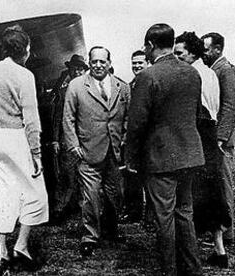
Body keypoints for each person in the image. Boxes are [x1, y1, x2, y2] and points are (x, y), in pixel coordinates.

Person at [125, 24, 204, 276]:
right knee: (185, 214)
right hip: (190, 155)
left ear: (149, 45)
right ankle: (192, 269)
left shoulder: (148, 76)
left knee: (164, 217)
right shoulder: (192, 73)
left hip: (160, 159)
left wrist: (131, 158)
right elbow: (195, 114)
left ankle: (168, 270)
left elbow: (136, 123)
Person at [0, 25, 48, 276]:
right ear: (26, 50)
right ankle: (22, 244)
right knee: (35, 193)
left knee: (4, 192)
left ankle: (2, 251)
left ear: (4, 48)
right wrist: (36, 153)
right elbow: (31, 119)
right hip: (16, 136)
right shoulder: (24, 75)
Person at [63, 46, 130, 257]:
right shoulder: (76, 86)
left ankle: (111, 229)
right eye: (94, 62)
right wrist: (74, 146)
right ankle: (90, 236)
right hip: (88, 151)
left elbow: (129, 117)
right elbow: (68, 118)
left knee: (115, 194)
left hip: (115, 152)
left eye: (102, 62)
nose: (98, 65)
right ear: (89, 63)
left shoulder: (122, 87)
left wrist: (124, 140)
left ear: (109, 63)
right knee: (90, 196)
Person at [174, 31, 231, 268]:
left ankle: (190, 252)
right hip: (210, 135)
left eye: (180, 53)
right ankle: (219, 250)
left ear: (192, 53)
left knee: (192, 193)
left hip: (197, 133)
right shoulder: (209, 73)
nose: (176, 58)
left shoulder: (190, 73)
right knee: (213, 191)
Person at [201, 32, 235, 249]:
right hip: (215, 139)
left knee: (223, 184)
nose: (203, 53)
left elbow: (230, 105)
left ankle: (226, 234)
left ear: (217, 49)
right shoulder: (214, 70)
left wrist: (221, 137)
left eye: (206, 49)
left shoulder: (225, 70)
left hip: (221, 140)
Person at [50, 54, 88, 221]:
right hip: (68, 140)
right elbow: (57, 117)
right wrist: (55, 139)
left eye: (81, 68)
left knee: (85, 176)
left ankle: (83, 208)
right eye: (75, 68)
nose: (78, 71)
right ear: (70, 71)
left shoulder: (91, 89)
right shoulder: (64, 92)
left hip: (87, 140)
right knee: (66, 176)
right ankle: (60, 209)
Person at [122, 49, 149, 225]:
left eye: (140, 62)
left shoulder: (151, 83)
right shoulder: (130, 86)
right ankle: (134, 212)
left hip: (148, 140)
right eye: (134, 63)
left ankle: (151, 216)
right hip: (132, 139)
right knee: (131, 177)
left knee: (150, 179)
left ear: (147, 63)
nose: (137, 66)